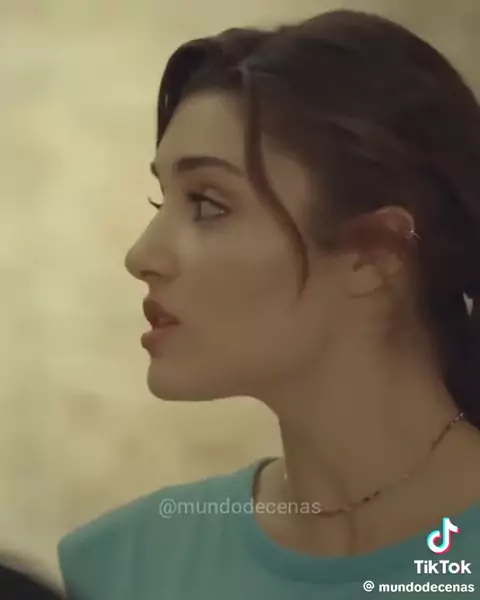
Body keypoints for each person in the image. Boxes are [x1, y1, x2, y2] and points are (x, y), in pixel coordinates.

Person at [58, 9, 480, 599]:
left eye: (207, 204)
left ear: (374, 253)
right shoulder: (119, 567)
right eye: (162, 202)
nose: (141, 256)